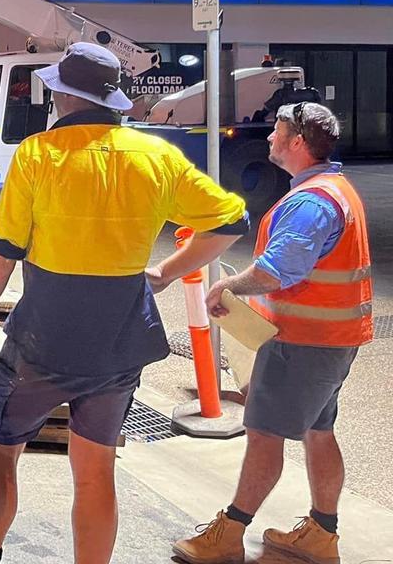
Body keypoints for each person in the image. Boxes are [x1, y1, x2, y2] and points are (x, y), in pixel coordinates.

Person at [0, 42, 250, 564]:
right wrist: (164, 272)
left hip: (41, 342)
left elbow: (0, 258)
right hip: (118, 344)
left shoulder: (37, 154)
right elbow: (230, 222)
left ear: (60, 93)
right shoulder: (156, 156)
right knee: (95, 470)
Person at [173, 102, 371, 564]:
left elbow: (280, 270)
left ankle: (228, 535)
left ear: (297, 142)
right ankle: (322, 534)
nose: (268, 139)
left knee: (264, 434)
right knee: (320, 431)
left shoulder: (309, 202)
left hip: (302, 342)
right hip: (331, 340)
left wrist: (228, 284)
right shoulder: (334, 189)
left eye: (276, 132)